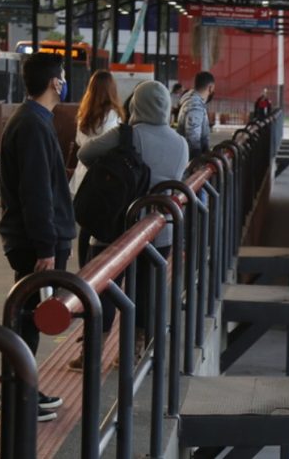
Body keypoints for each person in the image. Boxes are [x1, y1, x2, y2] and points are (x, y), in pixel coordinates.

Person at [75, 80, 189, 369]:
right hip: (159, 230)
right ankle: (134, 352)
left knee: (104, 288)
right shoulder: (180, 143)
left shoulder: (127, 135)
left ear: (136, 104)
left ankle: (91, 353)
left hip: (117, 226)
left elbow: (84, 154)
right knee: (147, 293)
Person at [0, 51, 74, 422]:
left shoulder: (33, 121)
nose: (63, 83)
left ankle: (24, 391)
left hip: (36, 240)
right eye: (61, 77)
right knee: (27, 319)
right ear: (53, 82)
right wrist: (46, 245)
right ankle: (19, 396)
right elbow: (37, 191)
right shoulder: (32, 125)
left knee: (29, 319)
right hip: (35, 244)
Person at [69, 70, 124, 268]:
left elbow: (79, 142)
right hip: (101, 177)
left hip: (83, 173)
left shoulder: (84, 112)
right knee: (96, 225)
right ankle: (91, 269)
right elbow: (111, 144)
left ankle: (84, 268)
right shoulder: (112, 115)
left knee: (85, 223)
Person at [177, 71, 214, 159]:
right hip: (190, 162)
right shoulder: (195, 106)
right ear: (210, 88)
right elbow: (193, 140)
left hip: (184, 157)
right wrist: (198, 163)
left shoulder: (193, 102)